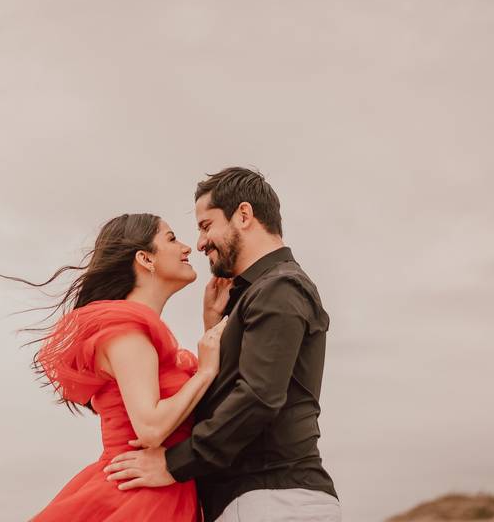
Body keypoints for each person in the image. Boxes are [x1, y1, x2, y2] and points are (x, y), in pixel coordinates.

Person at [104, 167, 340, 522]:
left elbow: (259, 396)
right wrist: (213, 327)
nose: (199, 244)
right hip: (260, 501)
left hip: (275, 499)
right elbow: (235, 390)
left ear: (243, 215)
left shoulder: (280, 287)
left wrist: (173, 464)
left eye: (205, 226)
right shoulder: (255, 295)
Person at [1, 213, 230, 521]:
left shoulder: (137, 331)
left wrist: (210, 325)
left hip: (160, 491)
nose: (187, 248)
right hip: (139, 498)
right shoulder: (126, 331)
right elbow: (149, 429)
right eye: (172, 239)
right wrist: (204, 372)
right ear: (145, 258)